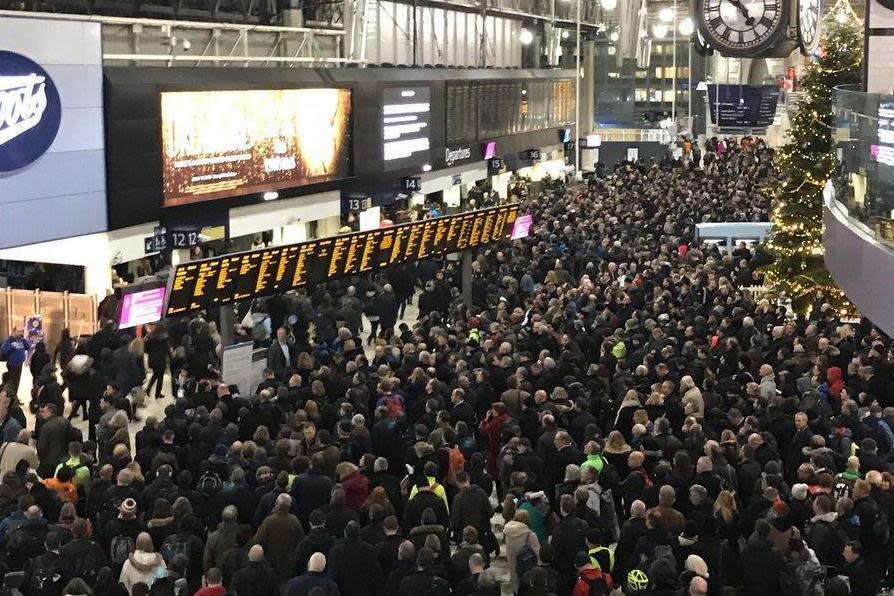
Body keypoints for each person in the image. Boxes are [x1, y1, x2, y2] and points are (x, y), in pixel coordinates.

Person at [1, 330, 30, 396]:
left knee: (17, 382)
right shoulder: (9, 340)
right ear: (14, 332)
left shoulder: (21, 340)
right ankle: (10, 397)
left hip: (19, 365)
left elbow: (28, 347)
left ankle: (14, 397)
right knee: (12, 383)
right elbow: (3, 350)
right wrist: (12, 345)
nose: (20, 333)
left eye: (21, 332)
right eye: (18, 332)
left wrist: (23, 339)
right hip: (12, 365)